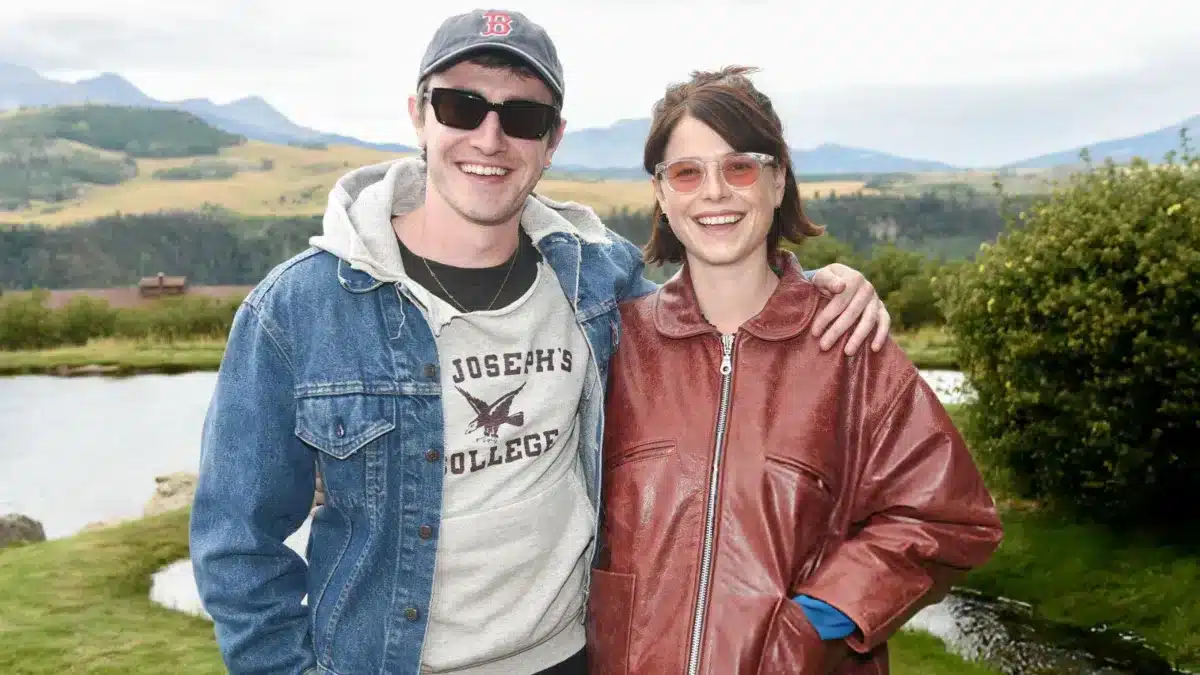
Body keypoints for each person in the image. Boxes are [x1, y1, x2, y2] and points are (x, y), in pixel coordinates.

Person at [189, 10, 893, 675]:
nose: (490, 139)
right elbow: (236, 546)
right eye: (461, 107)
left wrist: (814, 287)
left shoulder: (598, 280)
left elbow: (720, 328)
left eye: (521, 117)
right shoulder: (297, 310)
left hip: (569, 656)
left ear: (552, 141)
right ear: (418, 115)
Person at [586, 66, 1005, 675]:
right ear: (661, 193)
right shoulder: (615, 343)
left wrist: (814, 622)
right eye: (686, 172)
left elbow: (947, 516)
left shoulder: (847, 342)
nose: (715, 192)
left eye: (740, 167)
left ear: (778, 180)